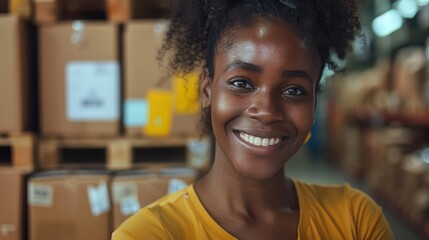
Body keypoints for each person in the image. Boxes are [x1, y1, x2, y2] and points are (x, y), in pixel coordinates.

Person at [112, 0, 394, 239]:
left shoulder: (357, 221)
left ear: (313, 103)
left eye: (294, 90)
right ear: (207, 90)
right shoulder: (148, 234)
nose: (267, 111)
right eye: (242, 83)